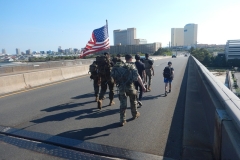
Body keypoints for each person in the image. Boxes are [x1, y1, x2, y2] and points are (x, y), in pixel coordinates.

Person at [111, 54, 146, 126]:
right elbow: (138, 77)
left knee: (122, 104)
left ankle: (122, 120)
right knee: (133, 101)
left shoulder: (119, 66)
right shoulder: (132, 66)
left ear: (125, 58)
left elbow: (114, 77)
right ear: (131, 59)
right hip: (130, 87)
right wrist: (143, 86)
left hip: (121, 88)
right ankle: (134, 114)